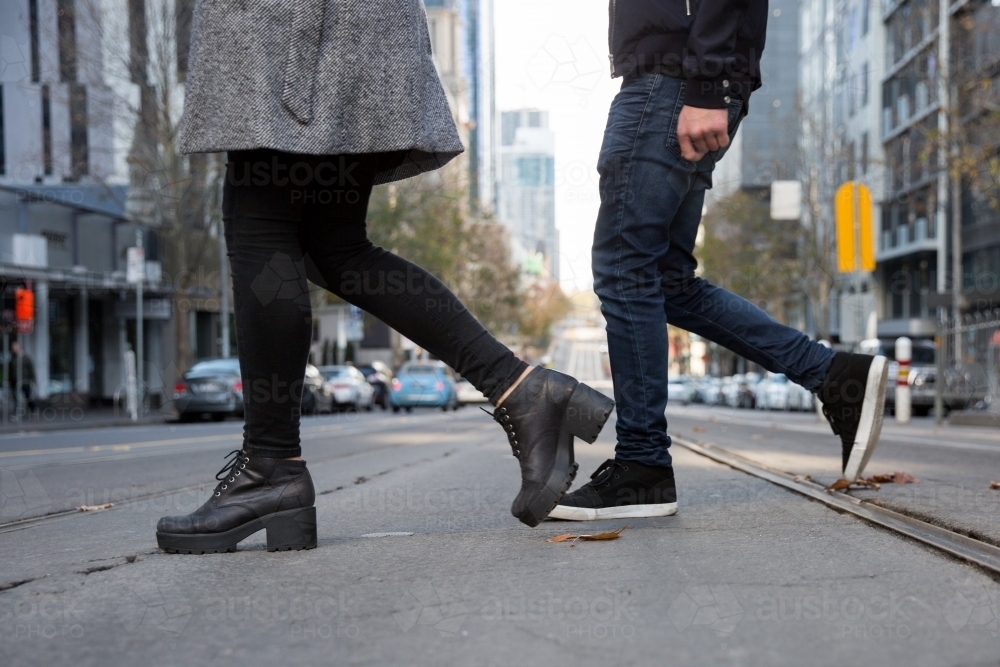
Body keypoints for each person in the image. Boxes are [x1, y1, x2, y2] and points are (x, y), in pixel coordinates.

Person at [154, 1, 615, 554]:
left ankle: (271, 468)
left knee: (261, 231)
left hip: (295, 26)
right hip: (352, 29)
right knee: (334, 247)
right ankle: (521, 388)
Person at [549, 1, 889, 521]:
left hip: (673, 81)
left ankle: (643, 465)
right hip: (683, 79)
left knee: (625, 271)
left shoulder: (688, 78)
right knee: (667, 283)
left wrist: (705, 82)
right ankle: (833, 374)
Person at [8, 341, 36, 414]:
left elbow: (31, 369)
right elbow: (10, 370)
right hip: (15, 380)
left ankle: (33, 410)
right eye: (13, 347)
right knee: (16, 398)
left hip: (25, 380)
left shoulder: (25, 358)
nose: (14, 348)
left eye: (15, 347)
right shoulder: (12, 358)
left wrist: (33, 379)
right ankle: (17, 412)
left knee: (28, 396)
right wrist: (9, 380)